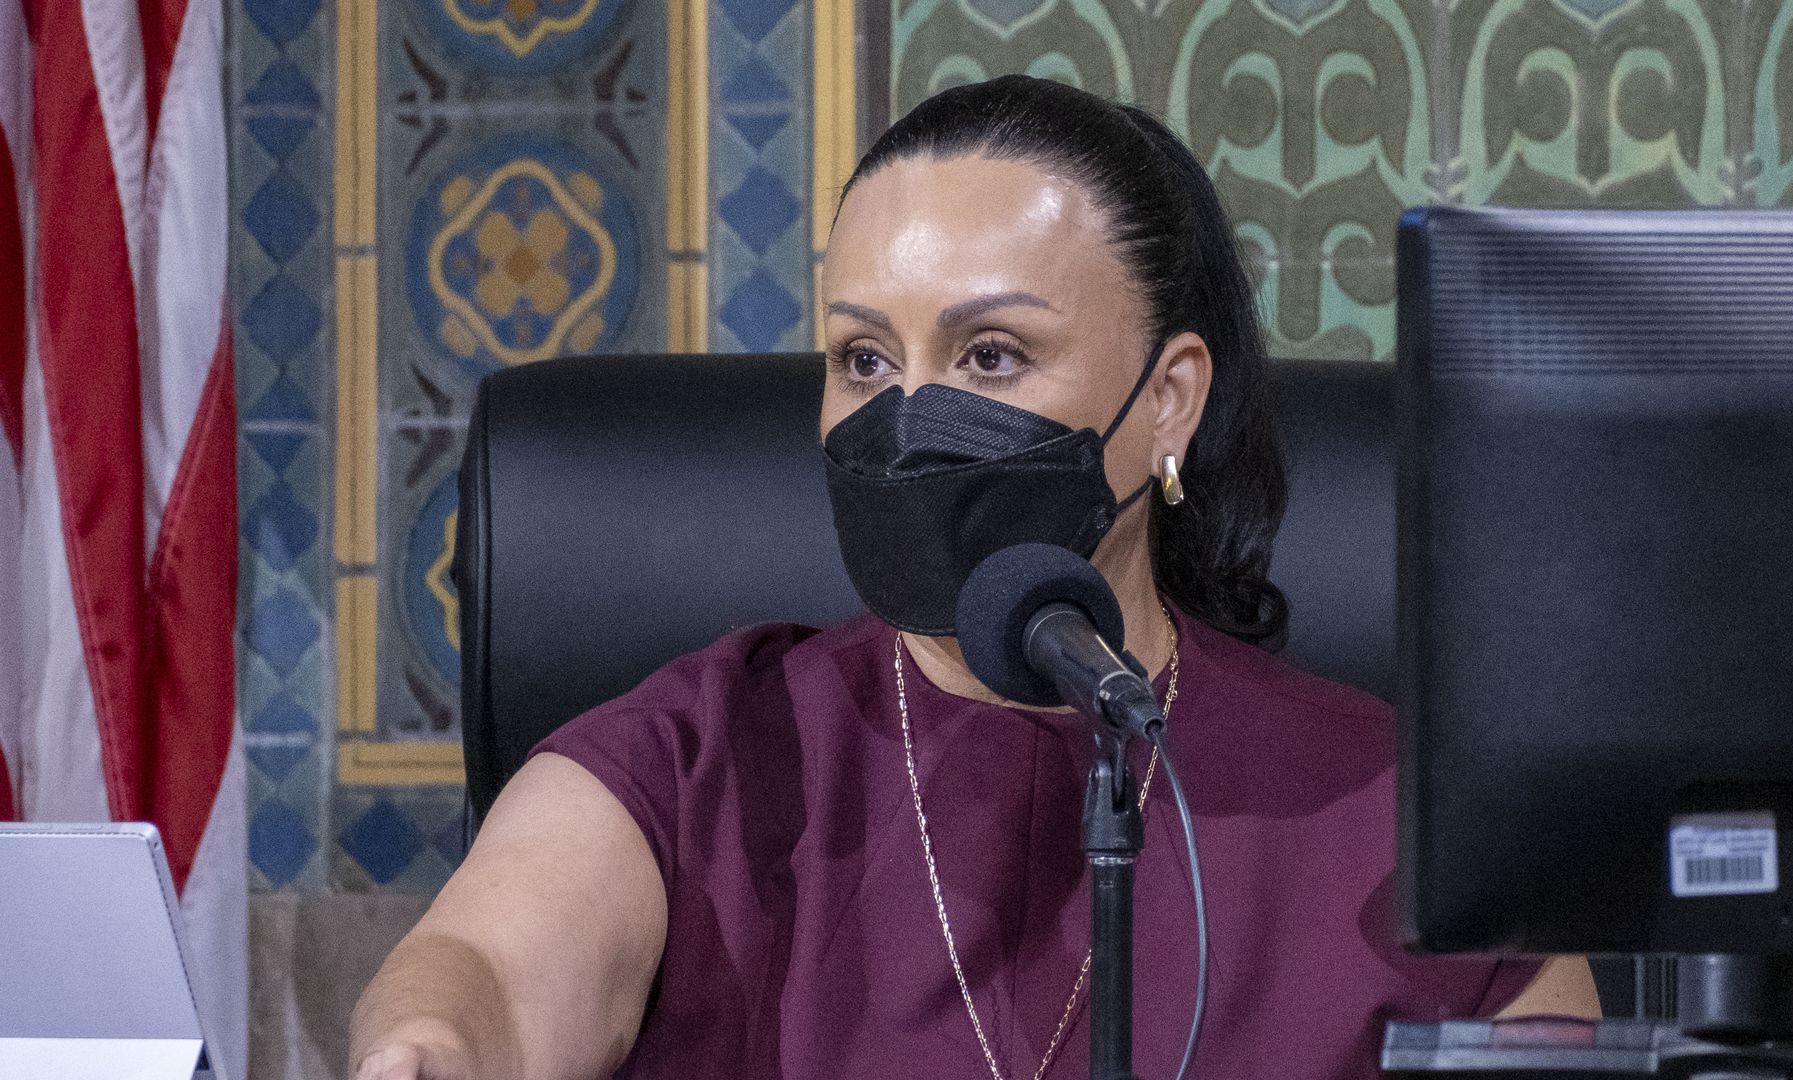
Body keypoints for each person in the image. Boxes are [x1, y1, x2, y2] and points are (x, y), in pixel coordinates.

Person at [348, 75, 1599, 1080]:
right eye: (863, 359)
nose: (911, 415)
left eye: (992, 355)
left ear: (1168, 402)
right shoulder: (701, 755)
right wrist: (434, 1046)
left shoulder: (1404, 831)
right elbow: (485, 975)